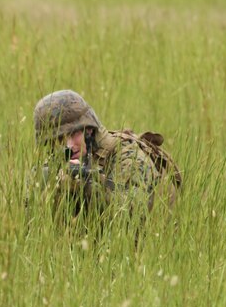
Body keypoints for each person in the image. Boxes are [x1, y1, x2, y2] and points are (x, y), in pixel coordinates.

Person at [31, 90, 181, 225]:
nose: (68, 146)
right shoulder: (58, 161)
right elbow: (31, 220)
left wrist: (87, 185)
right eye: (58, 139)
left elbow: (132, 212)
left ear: (88, 129)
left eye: (73, 134)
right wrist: (51, 190)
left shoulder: (130, 156)